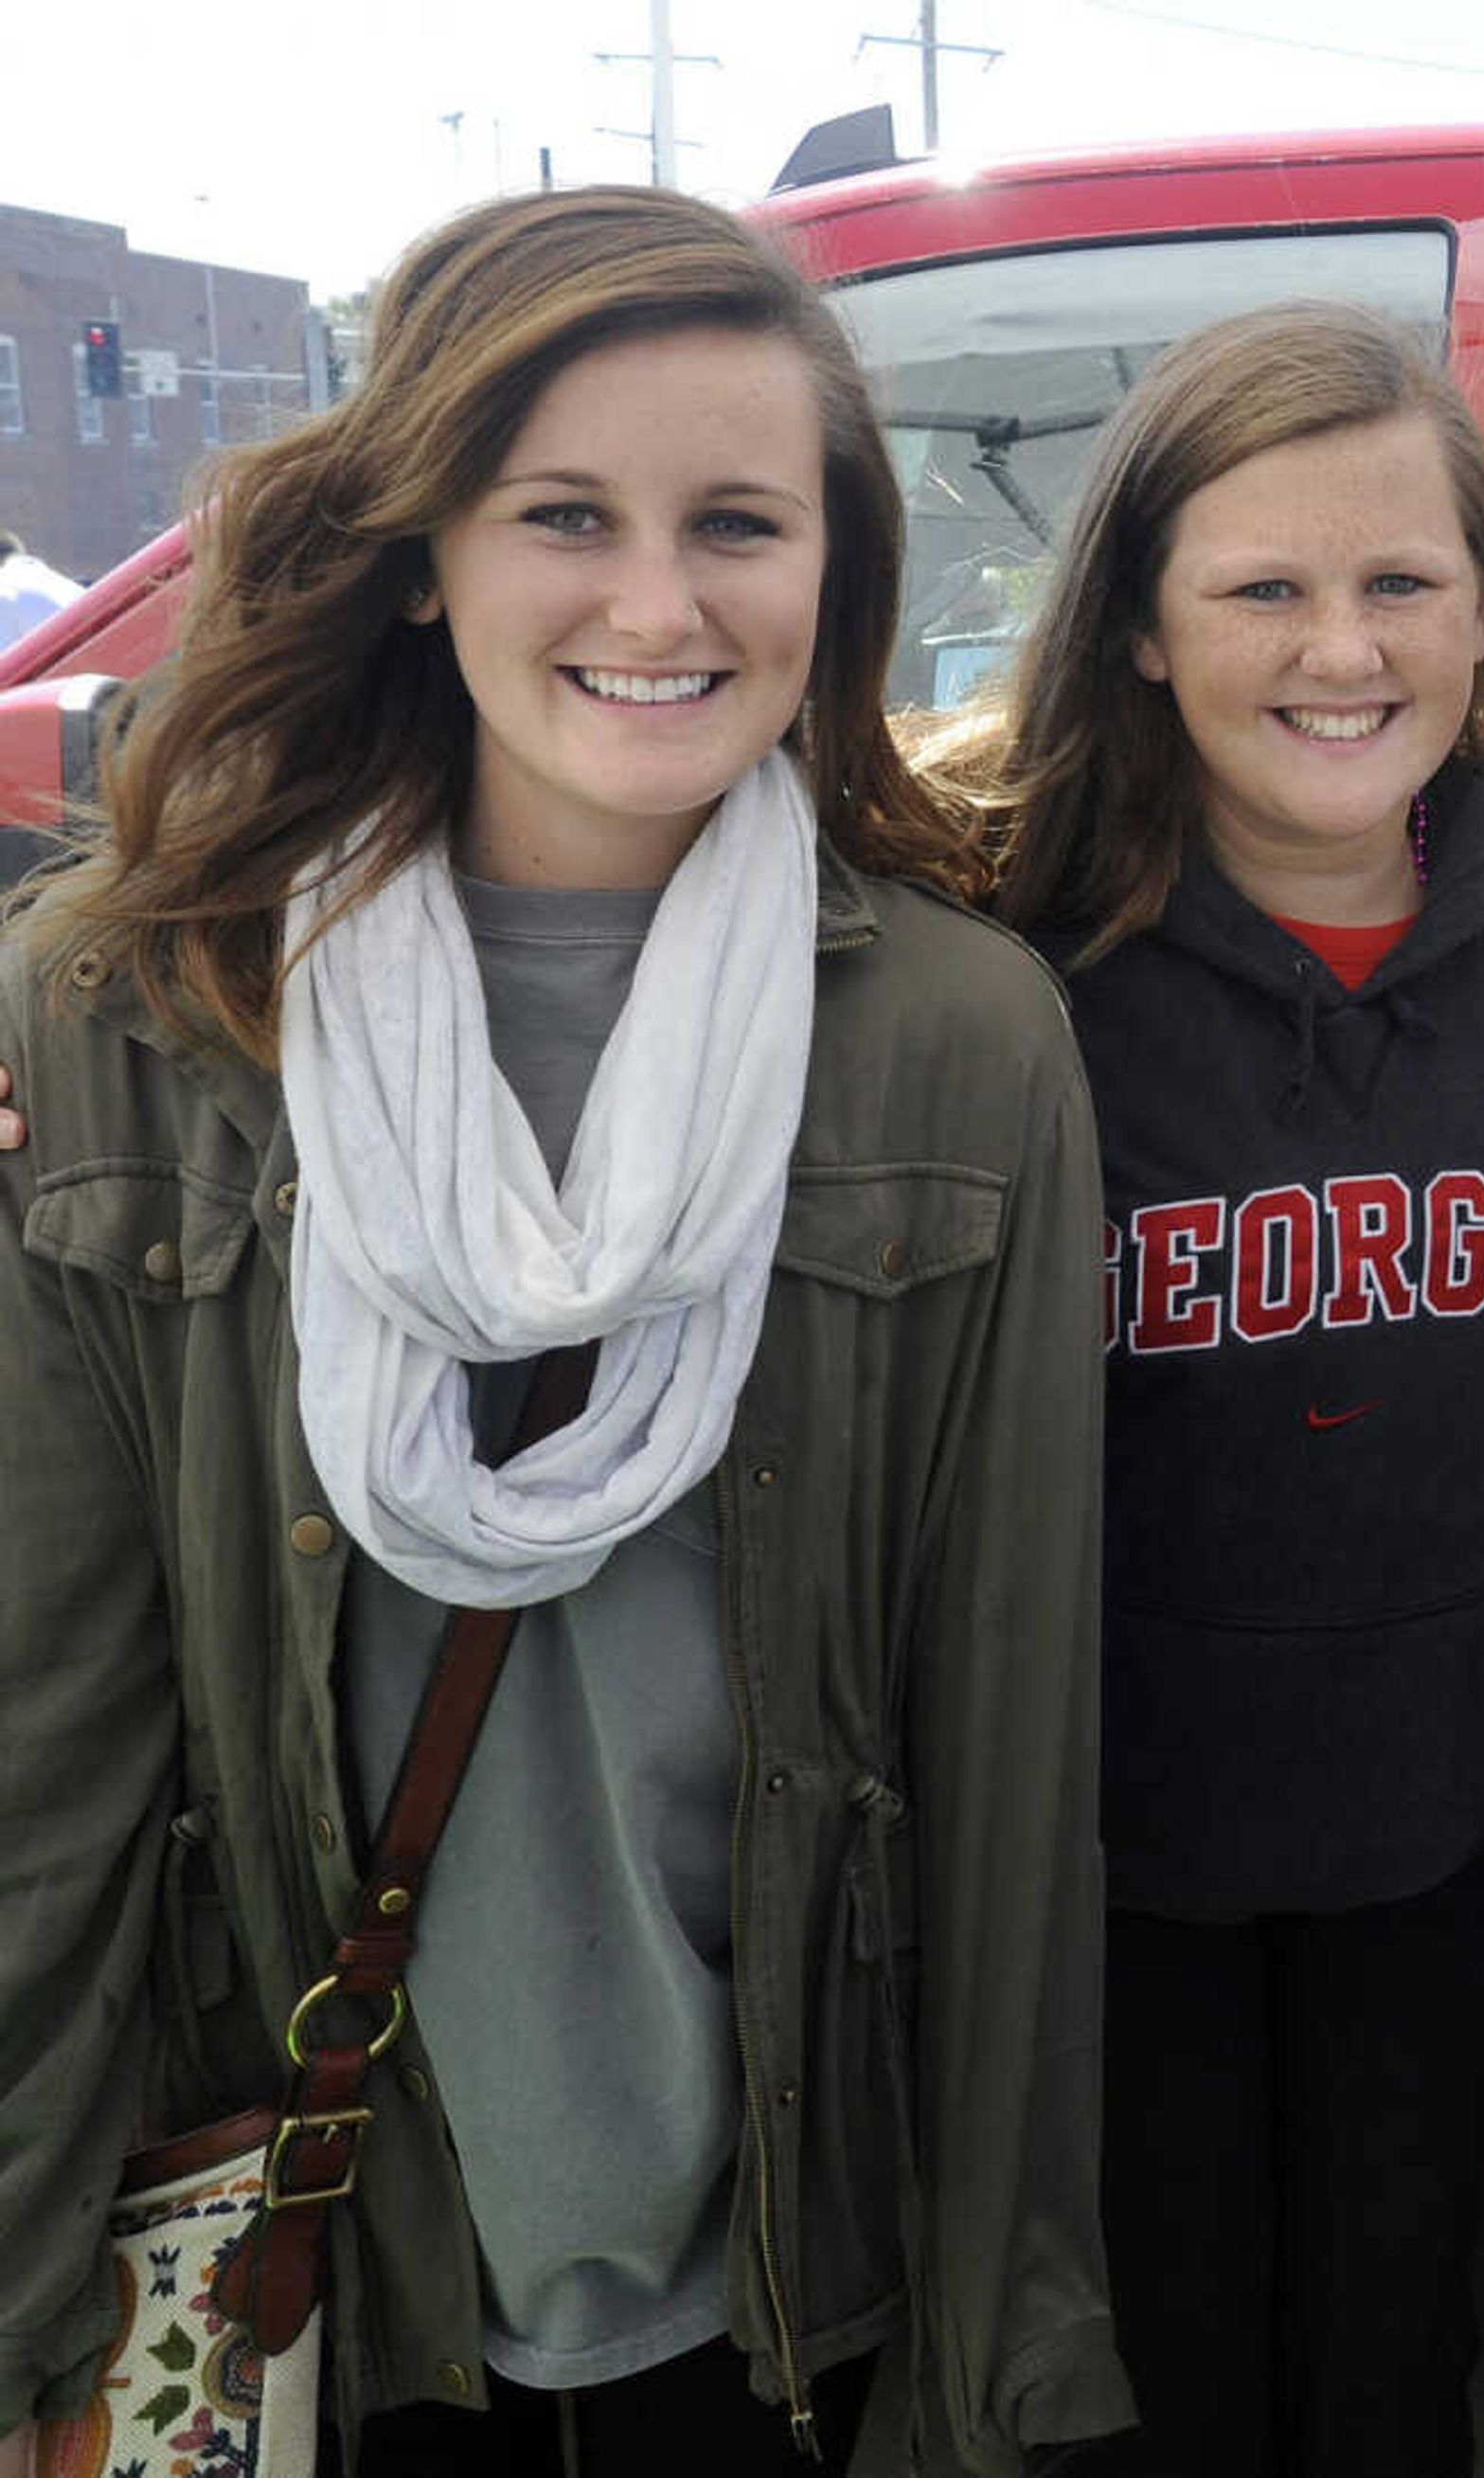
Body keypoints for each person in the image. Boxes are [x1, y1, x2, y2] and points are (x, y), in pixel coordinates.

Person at [0, 188, 1126, 2477]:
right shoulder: (133, 1016)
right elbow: (49, 1740)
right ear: (420, 551)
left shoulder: (954, 1039)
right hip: (324, 2226)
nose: (655, 599)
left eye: (737, 521)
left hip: (790, 2243)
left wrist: (997, 2351)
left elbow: (1015, 1745)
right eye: (562, 516)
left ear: (834, 577)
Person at [934, 299, 1484, 2478]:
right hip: (1102, 1838)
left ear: (1483, 606)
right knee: (1155, 2375)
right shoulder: (984, 944)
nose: (1337, 648)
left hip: (1440, 1810)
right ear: (1140, 629)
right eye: (1260, 586)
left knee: (1393, 2352)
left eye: (1398, 584)